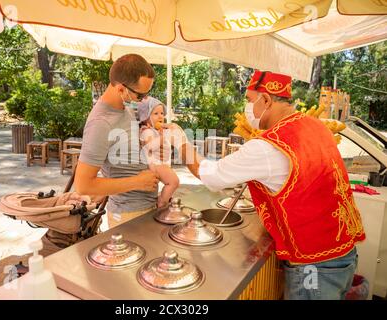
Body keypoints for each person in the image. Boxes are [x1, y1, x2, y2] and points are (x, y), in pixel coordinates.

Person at [167, 70, 366, 300]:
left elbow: (211, 175)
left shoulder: (269, 145)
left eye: (250, 101)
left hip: (313, 268)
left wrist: (181, 142)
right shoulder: (316, 126)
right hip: (344, 254)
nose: (247, 109)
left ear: (267, 100)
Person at [74, 54, 159, 230]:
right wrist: (138, 182)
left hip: (146, 207)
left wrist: (147, 150)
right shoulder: (101, 123)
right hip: (128, 214)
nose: (145, 99)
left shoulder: (125, 109)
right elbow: (83, 185)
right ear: (121, 89)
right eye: (140, 94)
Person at [138, 96, 179, 208]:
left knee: (172, 182)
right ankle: (161, 202)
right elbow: (151, 146)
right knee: (174, 182)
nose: (160, 116)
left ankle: (165, 199)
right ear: (146, 117)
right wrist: (162, 136)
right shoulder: (146, 131)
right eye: (155, 113)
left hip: (160, 163)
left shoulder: (157, 131)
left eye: (161, 113)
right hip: (154, 165)